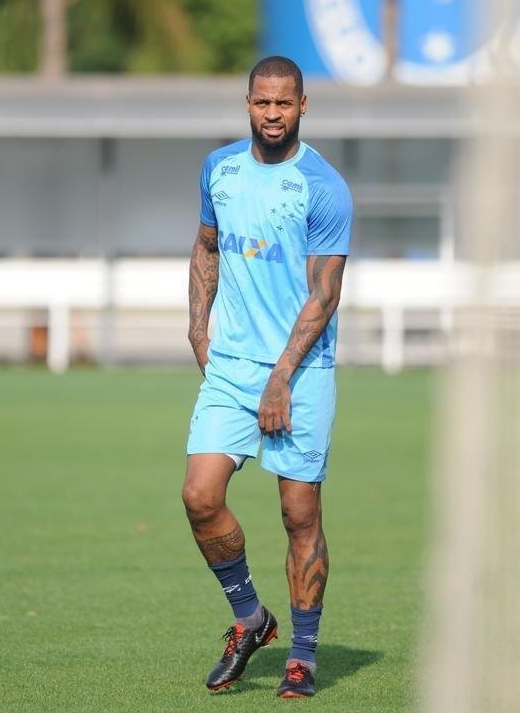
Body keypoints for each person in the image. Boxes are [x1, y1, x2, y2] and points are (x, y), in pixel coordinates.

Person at [182, 55, 353, 699]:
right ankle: (251, 617)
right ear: (247, 102)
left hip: (300, 370)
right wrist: (199, 328)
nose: (273, 114)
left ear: (303, 106)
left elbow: (324, 294)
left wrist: (281, 376)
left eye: (285, 104)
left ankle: (302, 654)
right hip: (231, 366)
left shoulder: (324, 187)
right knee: (200, 496)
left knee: (298, 511)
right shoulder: (219, 168)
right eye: (262, 103)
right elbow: (205, 245)